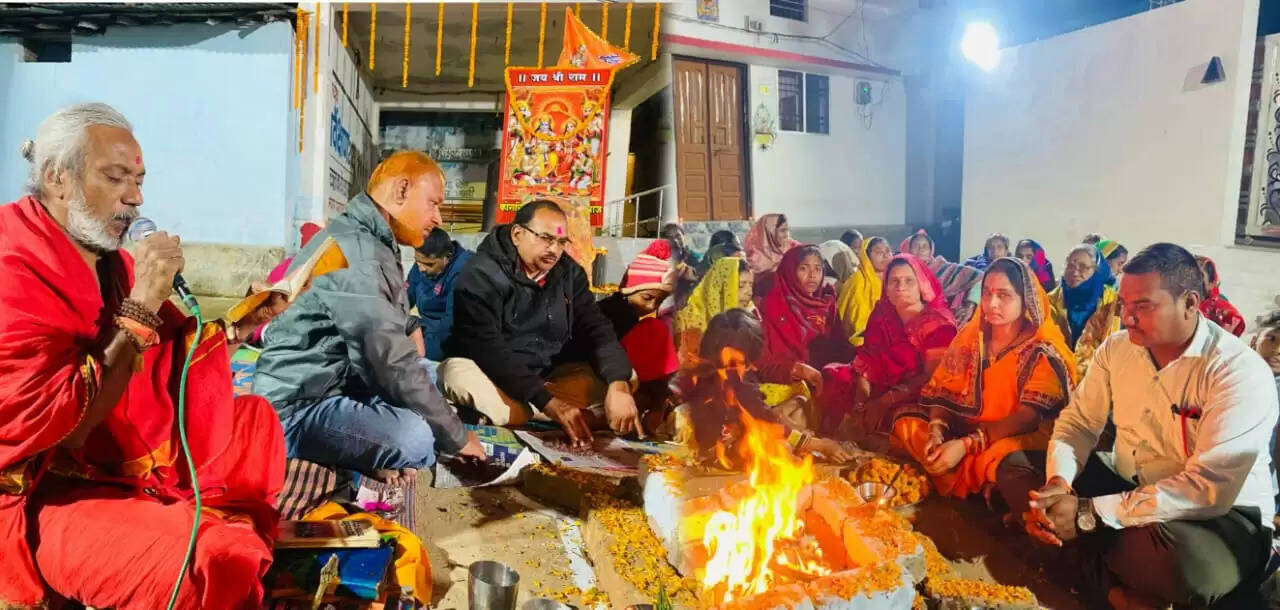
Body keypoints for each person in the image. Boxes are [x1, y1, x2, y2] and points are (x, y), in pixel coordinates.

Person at [0, 103, 290, 608]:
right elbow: (67, 424)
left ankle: (180, 518)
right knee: (216, 560)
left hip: (103, 457)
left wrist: (241, 325)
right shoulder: (14, 264)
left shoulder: (104, 258)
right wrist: (141, 305)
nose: (135, 199)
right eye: (116, 178)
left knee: (255, 423)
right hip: (37, 487)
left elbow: (166, 354)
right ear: (57, 179)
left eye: (138, 180)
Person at [1000, 244, 1277, 609]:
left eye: (1143, 306)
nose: (1127, 318)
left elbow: (1208, 490)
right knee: (1017, 469)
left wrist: (1089, 513)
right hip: (1133, 488)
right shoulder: (1118, 349)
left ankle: (1082, 558)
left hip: (1219, 519)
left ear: (1190, 304)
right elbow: (1079, 422)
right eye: (1125, 305)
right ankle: (1117, 591)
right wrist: (1059, 485)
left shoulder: (1236, 372)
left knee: (1181, 567)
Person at [255, 151, 485, 487]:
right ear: (401, 190)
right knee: (416, 438)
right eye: (432, 204)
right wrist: (458, 437)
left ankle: (360, 447)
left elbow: (388, 333)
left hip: (340, 382)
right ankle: (328, 448)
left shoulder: (370, 238)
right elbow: (387, 361)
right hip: (297, 406)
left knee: (427, 375)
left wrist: (409, 330)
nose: (437, 217)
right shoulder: (357, 249)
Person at [440, 200, 640, 445]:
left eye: (561, 241)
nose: (554, 250)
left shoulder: (569, 274)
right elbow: (488, 348)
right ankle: (565, 415)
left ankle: (530, 415)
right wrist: (548, 402)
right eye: (546, 238)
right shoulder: (481, 274)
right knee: (456, 375)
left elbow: (595, 327)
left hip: (549, 378)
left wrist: (617, 384)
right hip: (495, 375)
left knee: (626, 377)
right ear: (517, 234)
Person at [893, 257, 1076, 500]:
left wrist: (966, 445)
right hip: (967, 427)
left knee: (1001, 454)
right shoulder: (972, 339)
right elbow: (943, 391)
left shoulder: (1042, 350)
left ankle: (966, 474)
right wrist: (937, 432)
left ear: (1026, 300)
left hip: (1012, 434)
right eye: (987, 293)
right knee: (907, 422)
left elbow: (1027, 417)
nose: (992, 303)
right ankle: (972, 477)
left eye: (1004, 295)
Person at [672, 308, 853, 464]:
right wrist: (821, 445)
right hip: (718, 442)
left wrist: (796, 369)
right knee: (781, 451)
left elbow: (762, 369)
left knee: (797, 406)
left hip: (726, 421)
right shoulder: (734, 378)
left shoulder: (718, 361)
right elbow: (767, 420)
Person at [822, 254, 958, 436]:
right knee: (833, 376)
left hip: (916, 393)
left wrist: (883, 402)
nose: (900, 287)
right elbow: (866, 360)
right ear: (885, 286)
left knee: (908, 421)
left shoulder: (937, 325)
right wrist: (861, 402)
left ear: (922, 285)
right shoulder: (882, 315)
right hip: (880, 385)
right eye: (894, 281)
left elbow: (932, 378)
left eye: (909, 281)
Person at [582, 241, 678, 433]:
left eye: (659, 301)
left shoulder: (638, 317)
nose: (651, 307)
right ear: (628, 289)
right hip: (590, 381)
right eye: (647, 298)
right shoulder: (613, 314)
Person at [760, 245, 854, 371]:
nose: (812, 275)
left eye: (818, 269)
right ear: (790, 271)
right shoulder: (774, 306)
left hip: (829, 375)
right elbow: (767, 360)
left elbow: (841, 347)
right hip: (792, 380)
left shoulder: (826, 305)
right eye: (803, 268)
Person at [1047, 245, 1121, 379]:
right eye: (1070, 266)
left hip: (1098, 381)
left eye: (1083, 267)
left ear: (1096, 270)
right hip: (1057, 380)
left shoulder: (1112, 302)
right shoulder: (1050, 301)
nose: (1075, 272)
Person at [675, 255, 756, 369]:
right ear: (721, 289)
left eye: (751, 285)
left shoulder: (750, 320)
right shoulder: (686, 322)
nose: (749, 292)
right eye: (741, 286)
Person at [407, 227, 473, 362]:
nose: (421, 268)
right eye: (417, 262)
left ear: (447, 258)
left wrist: (418, 347)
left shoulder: (465, 271)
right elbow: (404, 297)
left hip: (453, 335)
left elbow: (451, 325)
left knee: (409, 356)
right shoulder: (421, 263)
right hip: (426, 327)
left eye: (428, 264)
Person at [899, 229, 983, 324]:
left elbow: (980, 277)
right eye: (916, 246)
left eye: (925, 246)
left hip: (948, 321)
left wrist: (970, 306)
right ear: (908, 250)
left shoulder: (944, 268)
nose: (921, 249)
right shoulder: (901, 272)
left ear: (931, 251)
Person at [837, 236, 893, 346]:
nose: (885, 255)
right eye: (879, 252)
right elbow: (859, 326)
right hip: (860, 343)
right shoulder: (858, 281)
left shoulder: (893, 279)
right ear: (866, 256)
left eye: (888, 251)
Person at [744, 213, 799, 294]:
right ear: (770, 232)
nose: (787, 235)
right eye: (783, 230)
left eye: (787, 230)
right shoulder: (754, 255)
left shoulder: (792, 247)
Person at [1195, 255, 1246, 337]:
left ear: (1211, 283)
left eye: (1199, 275)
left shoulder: (1225, 314)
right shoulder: (1174, 302)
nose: (1192, 279)